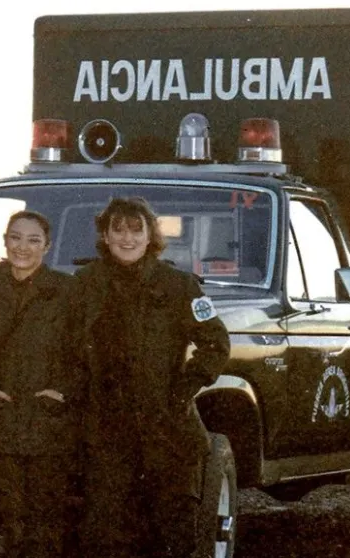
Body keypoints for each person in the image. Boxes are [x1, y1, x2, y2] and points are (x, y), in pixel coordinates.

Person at [69, 197, 230, 557]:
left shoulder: (177, 285)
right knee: (104, 532)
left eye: (136, 229)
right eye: (118, 230)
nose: (127, 239)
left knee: (171, 532)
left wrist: (184, 389)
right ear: (106, 236)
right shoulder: (84, 284)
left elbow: (215, 342)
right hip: (105, 429)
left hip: (166, 429)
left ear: (150, 235)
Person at [0, 211, 78, 558]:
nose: (22, 247)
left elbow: (84, 352)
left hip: (49, 422)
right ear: (4, 241)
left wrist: (64, 392)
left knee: (46, 520)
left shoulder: (67, 290)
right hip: (3, 419)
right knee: (11, 520)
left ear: (48, 245)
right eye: (15, 237)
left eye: (33, 240)